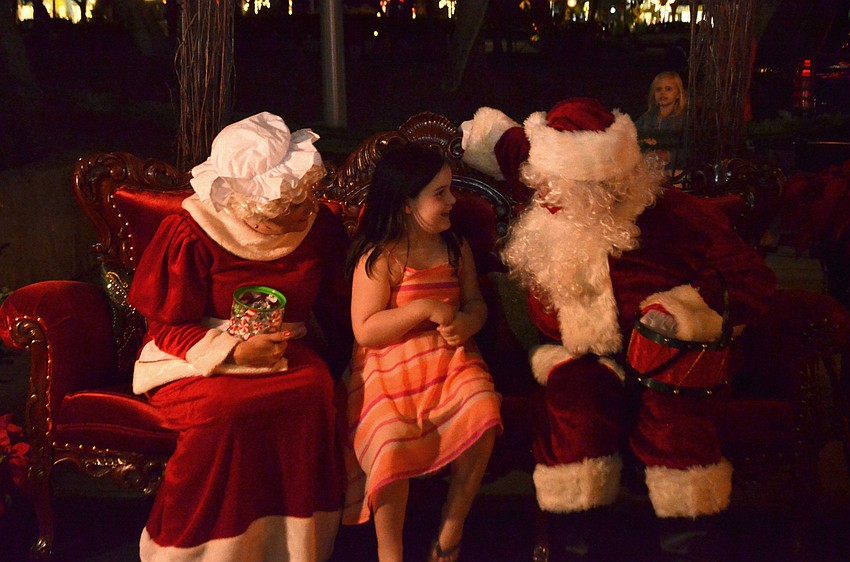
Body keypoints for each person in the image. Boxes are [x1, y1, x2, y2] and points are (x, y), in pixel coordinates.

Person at [460, 98, 776, 561]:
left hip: (666, 356)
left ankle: (687, 541)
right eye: (546, 183)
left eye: (567, 187)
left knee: (675, 421)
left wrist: (684, 311)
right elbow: (504, 144)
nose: (547, 196)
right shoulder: (548, 186)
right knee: (576, 409)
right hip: (577, 352)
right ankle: (576, 541)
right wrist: (482, 134)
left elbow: (749, 279)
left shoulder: (674, 214)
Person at [127, 111, 352, 562]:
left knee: (312, 391)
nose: (307, 208)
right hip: (196, 353)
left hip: (288, 348)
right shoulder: (192, 232)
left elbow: (339, 307)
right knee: (225, 411)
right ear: (251, 206)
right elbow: (166, 326)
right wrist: (234, 350)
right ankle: (196, 551)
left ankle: (288, 550)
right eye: (291, 204)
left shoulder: (319, 225)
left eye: (307, 194)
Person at [340, 144, 503, 562]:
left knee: (484, 410)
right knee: (390, 439)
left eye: (450, 190)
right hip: (388, 363)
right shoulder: (380, 256)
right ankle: (389, 550)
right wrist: (422, 308)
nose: (453, 201)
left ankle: (452, 525)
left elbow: (475, 303)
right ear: (406, 203)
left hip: (449, 358)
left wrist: (468, 322)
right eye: (440, 193)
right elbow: (365, 329)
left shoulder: (454, 247)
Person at [634, 70, 688, 174]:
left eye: (668, 89)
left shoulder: (683, 120)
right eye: (658, 89)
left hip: (674, 172)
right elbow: (632, 136)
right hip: (648, 170)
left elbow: (690, 152)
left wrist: (668, 155)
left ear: (678, 94)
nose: (663, 93)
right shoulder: (646, 118)